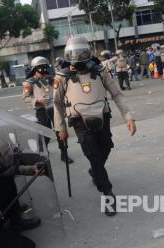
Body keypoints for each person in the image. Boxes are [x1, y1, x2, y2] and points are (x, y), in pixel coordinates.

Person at [53, 37, 137, 216]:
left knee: (105, 147)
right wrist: (61, 128)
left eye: (81, 52)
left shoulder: (100, 71)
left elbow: (117, 94)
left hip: (102, 116)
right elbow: (57, 103)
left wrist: (128, 117)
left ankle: (95, 170)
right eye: (73, 54)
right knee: (93, 154)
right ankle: (107, 192)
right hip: (78, 120)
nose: (77, 57)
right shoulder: (62, 76)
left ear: (88, 53)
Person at [22, 56, 73, 163]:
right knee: (45, 133)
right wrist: (37, 100)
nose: (44, 70)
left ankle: (64, 154)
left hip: (55, 108)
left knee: (61, 131)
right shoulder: (29, 82)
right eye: (42, 68)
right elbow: (25, 97)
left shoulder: (53, 78)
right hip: (42, 110)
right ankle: (43, 152)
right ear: (35, 69)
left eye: (46, 67)